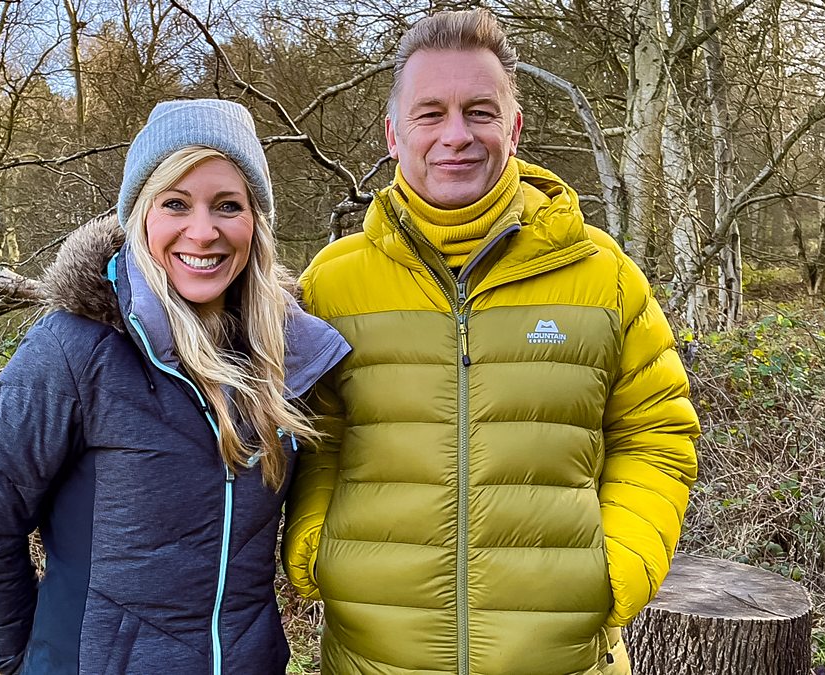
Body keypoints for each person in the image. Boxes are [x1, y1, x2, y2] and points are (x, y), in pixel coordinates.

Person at [282, 10, 699, 675]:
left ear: (515, 127)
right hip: (373, 655)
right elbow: (310, 436)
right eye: (430, 114)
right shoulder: (332, 284)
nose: (457, 135)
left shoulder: (603, 276)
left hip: (563, 658)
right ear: (393, 134)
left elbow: (656, 436)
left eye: (480, 111)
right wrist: (316, 549)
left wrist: (618, 570)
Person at [0, 99, 349, 675]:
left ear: (255, 222)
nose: (202, 232)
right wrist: (26, 662)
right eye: (175, 203)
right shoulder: (74, 348)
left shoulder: (287, 354)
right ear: (140, 216)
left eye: (228, 205)